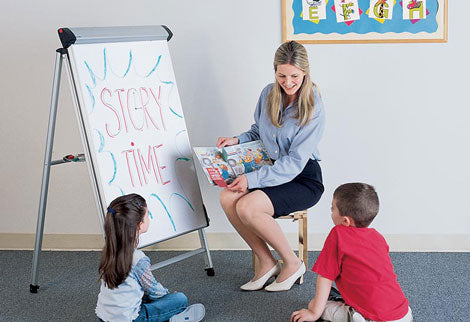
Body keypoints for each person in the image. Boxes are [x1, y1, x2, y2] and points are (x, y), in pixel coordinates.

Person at [217, 40, 325, 292]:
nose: (287, 82)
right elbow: (258, 130)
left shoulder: (313, 105)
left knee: (248, 205)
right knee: (226, 197)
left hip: (303, 178)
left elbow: (295, 163)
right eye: (282, 75)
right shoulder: (268, 93)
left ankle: (292, 262)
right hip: (273, 171)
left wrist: (252, 180)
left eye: (294, 76)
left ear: (305, 72)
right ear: (275, 71)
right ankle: (266, 261)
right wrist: (237, 140)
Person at [290, 183, 413, 322]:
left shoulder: (338, 234)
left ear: (345, 221)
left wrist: (313, 312)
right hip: (403, 313)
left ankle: (355, 316)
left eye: (333, 208)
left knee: (315, 304)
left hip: (375, 319)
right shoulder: (378, 237)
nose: (331, 212)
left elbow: (325, 277)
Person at [95, 193, 205, 322]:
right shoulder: (137, 258)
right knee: (180, 299)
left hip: (103, 317)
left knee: (141, 293)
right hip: (131, 319)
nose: (149, 218)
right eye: (147, 215)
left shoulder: (109, 249)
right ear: (140, 224)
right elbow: (153, 289)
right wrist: (168, 295)